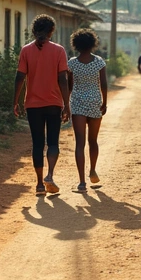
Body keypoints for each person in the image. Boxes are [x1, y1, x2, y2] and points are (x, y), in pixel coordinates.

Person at [13, 15, 71, 196]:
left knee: (37, 143)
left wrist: (15, 101)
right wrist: (67, 105)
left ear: (34, 30)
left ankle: (39, 185)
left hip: (33, 104)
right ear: (51, 31)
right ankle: (50, 176)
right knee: (53, 142)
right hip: (54, 103)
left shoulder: (26, 50)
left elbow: (20, 77)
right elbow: (62, 79)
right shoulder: (59, 51)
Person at [66, 28, 108, 193]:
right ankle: (92, 171)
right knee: (93, 141)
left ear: (76, 44)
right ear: (93, 44)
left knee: (80, 143)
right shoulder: (99, 62)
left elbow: (69, 86)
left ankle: (82, 182)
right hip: (95, 102)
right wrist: (105, 102)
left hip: (77, 103)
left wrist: (66, 105)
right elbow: (103, 84)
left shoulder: (72, 63)